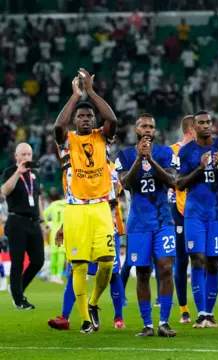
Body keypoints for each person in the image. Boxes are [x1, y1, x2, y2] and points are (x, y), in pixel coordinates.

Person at [54, 69, 119, 333]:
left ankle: (92, 303)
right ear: (75, 120)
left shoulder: (102, 137)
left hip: (101, 206)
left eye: (88, 115)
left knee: (107, 262)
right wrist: (75, 96)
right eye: (80, 116)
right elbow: (58, 126)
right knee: (78, 266)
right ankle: (84, 320)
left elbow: (112, 119)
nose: (84, 119)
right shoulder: (67, 141)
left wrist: (91, 93)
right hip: (76, 209)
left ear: (93, 120)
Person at [115, 114, 178, 337]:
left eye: (152, 126)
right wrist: (138, 159)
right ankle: (148, 325)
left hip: (163, 221)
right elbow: (124, 183)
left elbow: (172, 181)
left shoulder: (166, 153)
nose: (149, 129)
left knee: (166, 268)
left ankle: (164, 322)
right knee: (142, 273)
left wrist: (150, 160)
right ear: (135, 130)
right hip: (138, 224)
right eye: (144, 126)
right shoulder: (123, 156)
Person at [48, 162, 127, 330]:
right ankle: (65, 316)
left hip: (106, 225)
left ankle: (117, 316)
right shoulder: (74, 168)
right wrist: (63, 227)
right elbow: (73, 202)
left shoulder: (110, 169)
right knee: (76, 268)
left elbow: (112, 198)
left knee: (112, 272)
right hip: (81, 226)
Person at [176, 110, 218, 328]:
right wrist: (199, 169)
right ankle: (200, 314)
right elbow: (180, 184)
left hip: (217, 214)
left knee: (213, 263)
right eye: (201, 123)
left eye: (208, 122)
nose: (206, 125)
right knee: (197, 259)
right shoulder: (186, 152)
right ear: (193, 128)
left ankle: (209, 314)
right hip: (194, 214)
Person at [0, 142, 46, 309]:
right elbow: (4, 191)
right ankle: (19, 300)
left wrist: (42, 222)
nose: (27, 157)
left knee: (38, 261)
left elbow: (38, 198)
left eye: (29, 154)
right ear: (16, 156)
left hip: (33, 223)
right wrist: (17, 173)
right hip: (17, 221)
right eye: (24, 154)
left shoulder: (34, 174)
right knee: (17, 262)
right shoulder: (9, 172)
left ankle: (16, 288)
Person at [169, 115, 196, 324]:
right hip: (177, 210)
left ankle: (204, 308)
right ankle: (184, 308)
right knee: (181, 259)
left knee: (205, 259)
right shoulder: (172, 151)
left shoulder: (203, 150)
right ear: (191, 130)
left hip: (199, 210)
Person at [43, 199, 66, 284]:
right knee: (61, 254)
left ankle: (53, 276)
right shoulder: (68, 204)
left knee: (53, 254)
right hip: (63, 231)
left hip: (54, 231)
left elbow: (44, 214)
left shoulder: (54, 204)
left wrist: (48, 224)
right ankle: (58, 276)